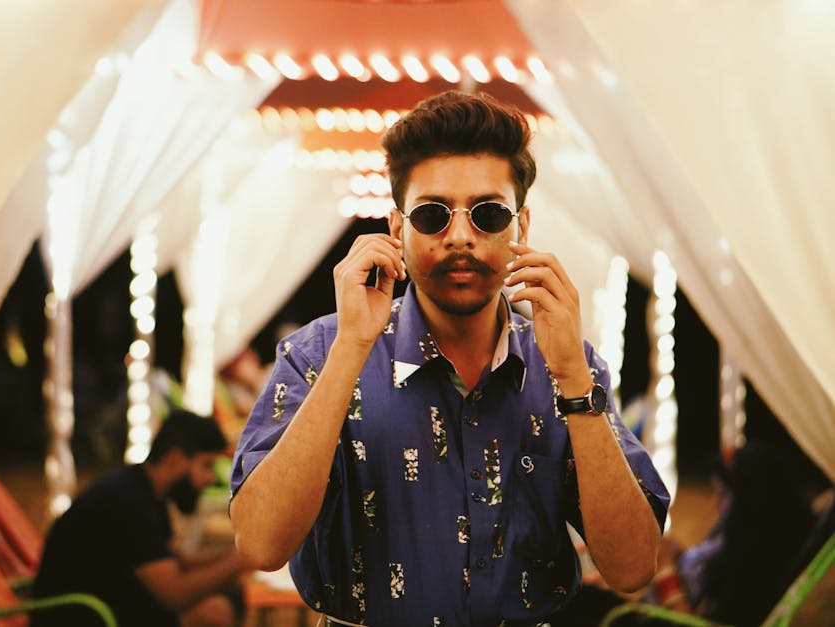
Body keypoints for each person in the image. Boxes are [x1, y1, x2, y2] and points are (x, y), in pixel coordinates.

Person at [230, 90, 670, 626]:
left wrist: (575, 380)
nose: (459, 237)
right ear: (397, 229)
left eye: (487, 214)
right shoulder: (318, 354)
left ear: (520, 227)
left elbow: (633, 566)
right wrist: (352, 350)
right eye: (433, 215)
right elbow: (258, 544)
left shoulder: (567, 366)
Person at [33, 409, 250, 627]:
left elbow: (178, 562)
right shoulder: (127, 503)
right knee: (213, 612)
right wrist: (244, 559)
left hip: (109, 605)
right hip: (81, 617)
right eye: (207, 466)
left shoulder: (143, 488)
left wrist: (239, 555)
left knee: (227, 592)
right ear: (175, 459)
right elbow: (175, 593)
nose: (211, 478)